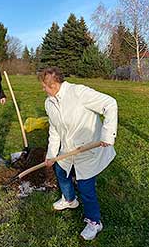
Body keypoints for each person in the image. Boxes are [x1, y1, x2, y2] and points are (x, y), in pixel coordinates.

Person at [38, 67, 118, 241]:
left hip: (88, 150)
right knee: (60, 172)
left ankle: (94, 222)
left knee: (86, 187)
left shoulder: (79, 93)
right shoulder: (49, 103)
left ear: (53, 84)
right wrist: (52, 154)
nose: (42, 89)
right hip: (68, 150)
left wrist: (107, 134)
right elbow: (54, 130)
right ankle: (69, 200)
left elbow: (110, 104)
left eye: (43, 85)